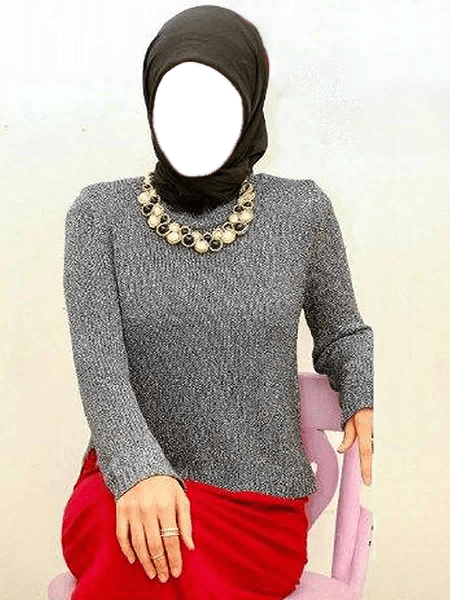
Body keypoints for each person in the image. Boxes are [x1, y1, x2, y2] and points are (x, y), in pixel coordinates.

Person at [60, 5, 374, 600]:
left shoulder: (302, 213)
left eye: (217, 99)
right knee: (138, 549)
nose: (194, 117)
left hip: (255, 506)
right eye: (176, 98)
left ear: (250, 103)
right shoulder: (98, 217)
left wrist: (361, 390)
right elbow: (100, 369)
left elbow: (342, 332)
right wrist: (140, 473)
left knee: (167, 559)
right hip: (124, 488)